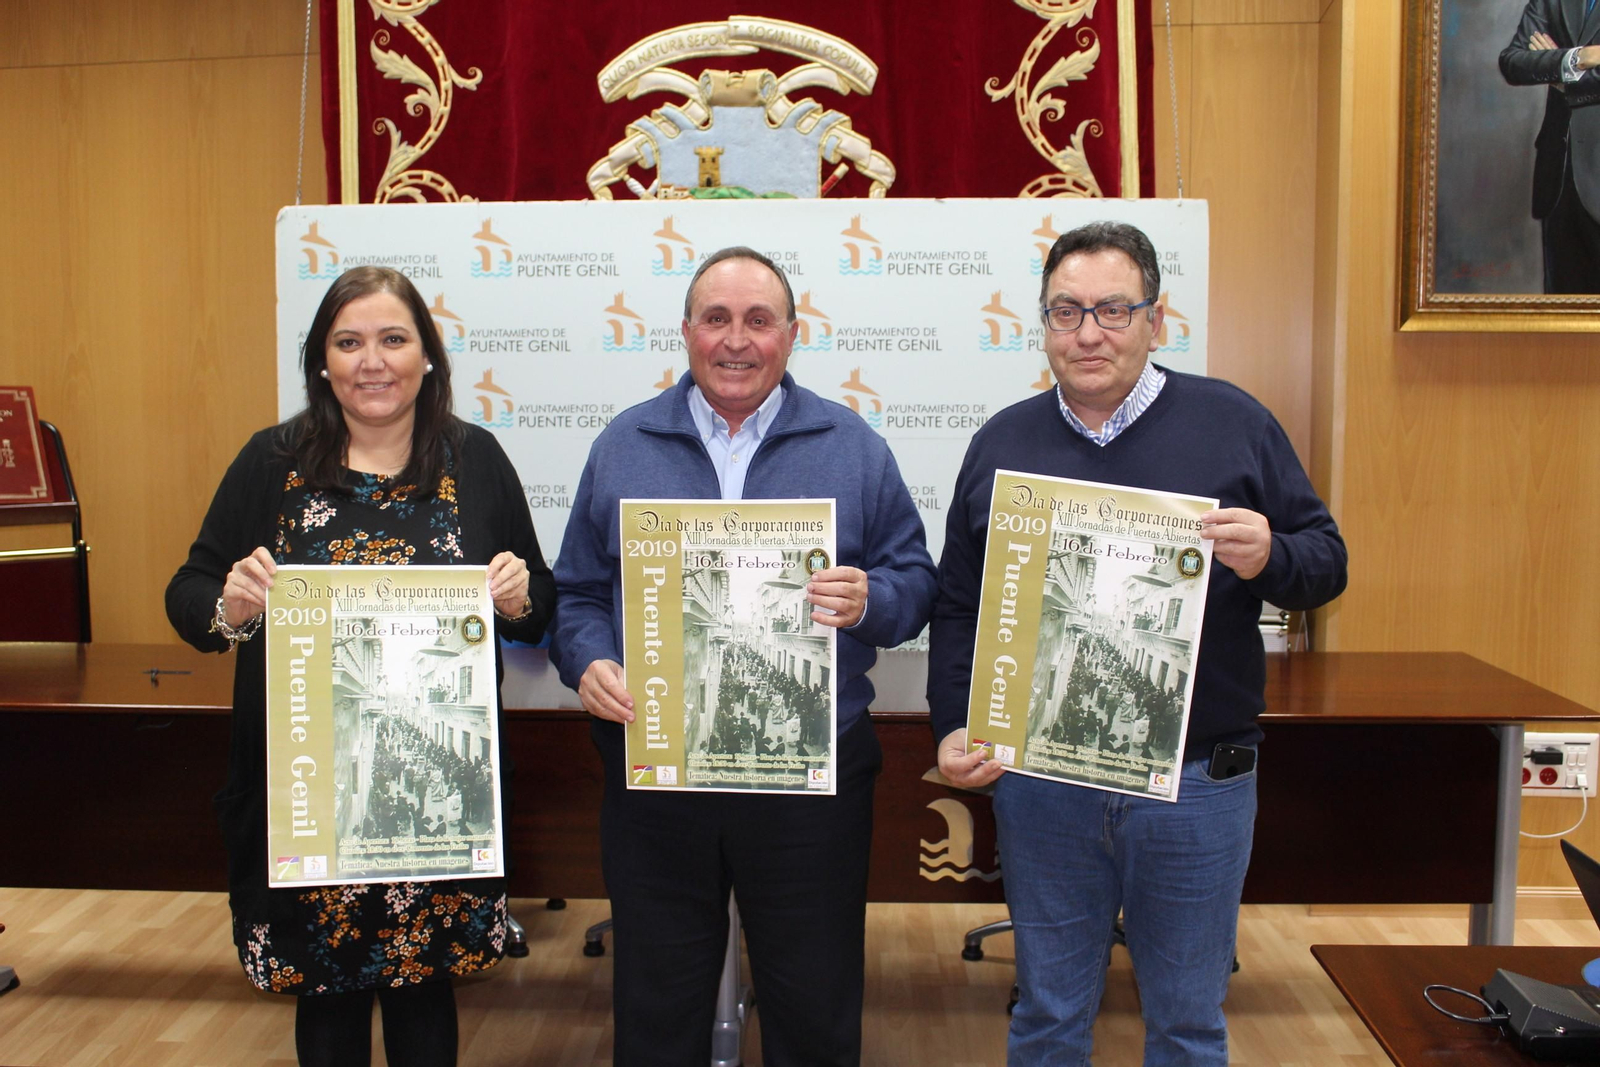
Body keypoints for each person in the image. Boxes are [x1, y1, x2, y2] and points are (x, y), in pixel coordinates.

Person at [927, 221, 1347, 1066]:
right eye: (1066, 311)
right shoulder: (1002, 442)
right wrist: (951, 721)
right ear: (1042, 325)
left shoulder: (1235, 423)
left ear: (1158, 318)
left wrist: (1271, 554)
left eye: (1113, 309)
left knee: (1188, 1022)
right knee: (1047, 1012)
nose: (1089, 333)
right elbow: (959, 604)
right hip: (1044, 781)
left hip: (1195, 782)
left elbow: (1325, 561)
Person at [552, 246, 937, 1066]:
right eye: (717, 319)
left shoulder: (853, 444)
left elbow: (914, 580)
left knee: (813, 1000)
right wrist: (586, 659)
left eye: (759, 320)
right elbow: (577, 592)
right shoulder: (625, 443)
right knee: (657, 1001)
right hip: (658, 777)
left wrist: (872, 599)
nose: (737, 340)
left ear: (792, 335)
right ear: (685, 332)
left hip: (810, 784)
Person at [165, 266, 554, 1067]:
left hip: (438, 820)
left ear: (428, 358)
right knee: (328, 992)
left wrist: (517, 595)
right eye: (348, 342)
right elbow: (188, 591)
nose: (371, 361)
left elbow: (543, 599)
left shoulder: (475, 459)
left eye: (392, 339)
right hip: (309, 795)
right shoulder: (271, 460)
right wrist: (232, 603)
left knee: (425, 988)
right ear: (321, 362)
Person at [1500, 2, 1600, 292]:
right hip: (1560, 178)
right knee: (1562, 315)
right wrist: (1579, 57)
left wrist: (1562, 77)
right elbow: (1513, 61)